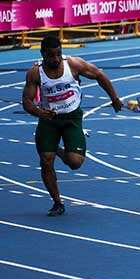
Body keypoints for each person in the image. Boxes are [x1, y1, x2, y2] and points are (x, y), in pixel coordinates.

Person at [21, 35, 122, 216]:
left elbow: (99, 74)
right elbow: (27, 101)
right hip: (48, 120)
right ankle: (57, 202)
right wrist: (40, 113)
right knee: (46, 161)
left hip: (72, 118)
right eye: (51, 55)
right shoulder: (35, 73)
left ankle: (57, 150)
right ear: (43, 54)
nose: (56, 59)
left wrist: (114, 98)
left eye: (58, 54)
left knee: (75, 162)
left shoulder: (73, 64)